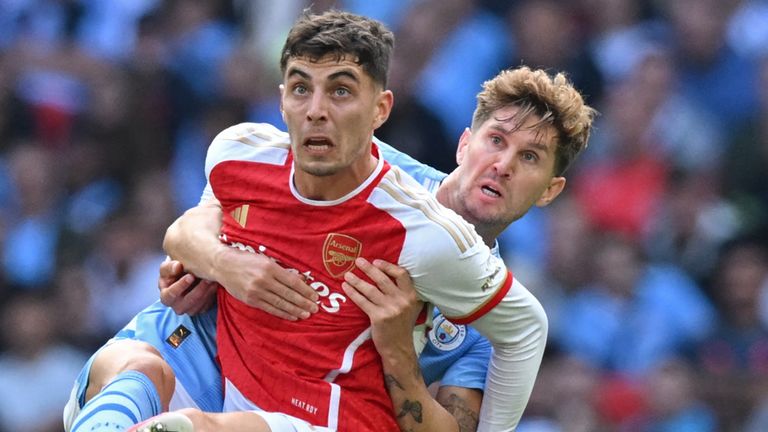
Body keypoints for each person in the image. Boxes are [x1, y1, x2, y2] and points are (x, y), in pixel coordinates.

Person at [66, 10, 596, 432]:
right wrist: (218, 263)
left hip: (293, 408)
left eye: (529, 159)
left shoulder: (483, 310)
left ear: (551, 190)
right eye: (496, 141)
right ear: (464, 143)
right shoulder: (357, 160)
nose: (502, 165)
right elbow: (196, 220)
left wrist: (397, 353)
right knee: (133, 373)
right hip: (192, 349)